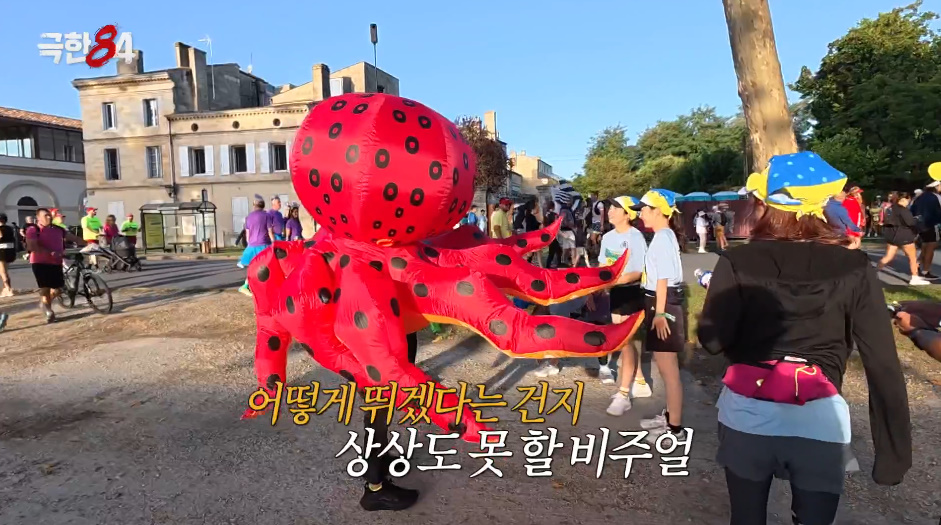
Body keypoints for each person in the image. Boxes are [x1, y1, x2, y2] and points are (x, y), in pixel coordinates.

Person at [697, 152, 912, 525]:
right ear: (824, 204)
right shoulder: (855, 267)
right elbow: (882, 359)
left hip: (749, 410)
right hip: (820, 413)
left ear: (767, 204)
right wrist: (893, 454)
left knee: (746, 518)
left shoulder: (737, 261)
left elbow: (712, 340)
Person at [628, 189, 687, 442]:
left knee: (668, 370)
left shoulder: (663, 237)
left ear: (659, 211)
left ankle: (674, 428)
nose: (640, 214)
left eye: (644, 209)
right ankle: (670, 416)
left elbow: (662, 279)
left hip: (663, 303)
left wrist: (661, 313)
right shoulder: (664, 235)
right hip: (659, 300)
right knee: (666, 368)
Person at [595, 196, 651, 410]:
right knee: (622, 337)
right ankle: (639, 381)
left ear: (628, 214)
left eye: (616, 208)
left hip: (630, 292)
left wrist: (611, 282)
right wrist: (597, 287)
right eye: (609, 207)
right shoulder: (608, 237)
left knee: (625, 339)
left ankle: (630, 389)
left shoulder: (635, 237)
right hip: (614, 292)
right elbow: (602, 265)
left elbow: (637, 271)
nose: (609, 211)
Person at [26, 208, 87, 323]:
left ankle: (44, 303)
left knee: (57, 290)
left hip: (56, 262)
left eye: (49, 215)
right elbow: (32, 246)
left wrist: (87, 243)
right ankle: (49, 312)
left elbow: (72, 238)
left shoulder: (58, 229)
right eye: (45, 216)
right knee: (45, 287)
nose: (49, 217)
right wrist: (49, 252)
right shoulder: (33, 229)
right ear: (38, 218)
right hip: (40, 262)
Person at [877, 192, 928, 285]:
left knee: (888, 256)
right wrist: (917, 220)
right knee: (912, 257)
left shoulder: (890, 209)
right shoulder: (903, 210)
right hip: (904, 235)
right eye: (908, 200)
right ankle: (914, 277)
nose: (908, 203)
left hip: (892, 235)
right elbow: (910, 222)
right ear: (904, 199)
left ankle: (873, 272)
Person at [238, 196, 273, 296]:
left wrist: (250, 245)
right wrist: (274, 243)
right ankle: (251, 286)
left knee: (254, 268)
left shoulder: (249, 217)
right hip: (264, 245)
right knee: (267, 267)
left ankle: (247, 286)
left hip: (252, 246)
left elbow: (248, 235)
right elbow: (270, 231)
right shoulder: (267, 216)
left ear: (254, 206)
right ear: (263, 205)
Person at [911, 181, 941, 279]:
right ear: (936, 186)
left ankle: (917, 264)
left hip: (920, 224)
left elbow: (912, 210)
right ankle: (926, 271)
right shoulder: (936, 197)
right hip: (931, 224)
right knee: (931, 247)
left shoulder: (919, 197)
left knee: (925, 246)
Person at [0, 213, 16, 297]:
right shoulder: (9, 228)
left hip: (1, 252)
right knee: (5, 272)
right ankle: (6, 289)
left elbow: (0, 236)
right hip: (9, 251)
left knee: (2, 272)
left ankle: (8, 289)